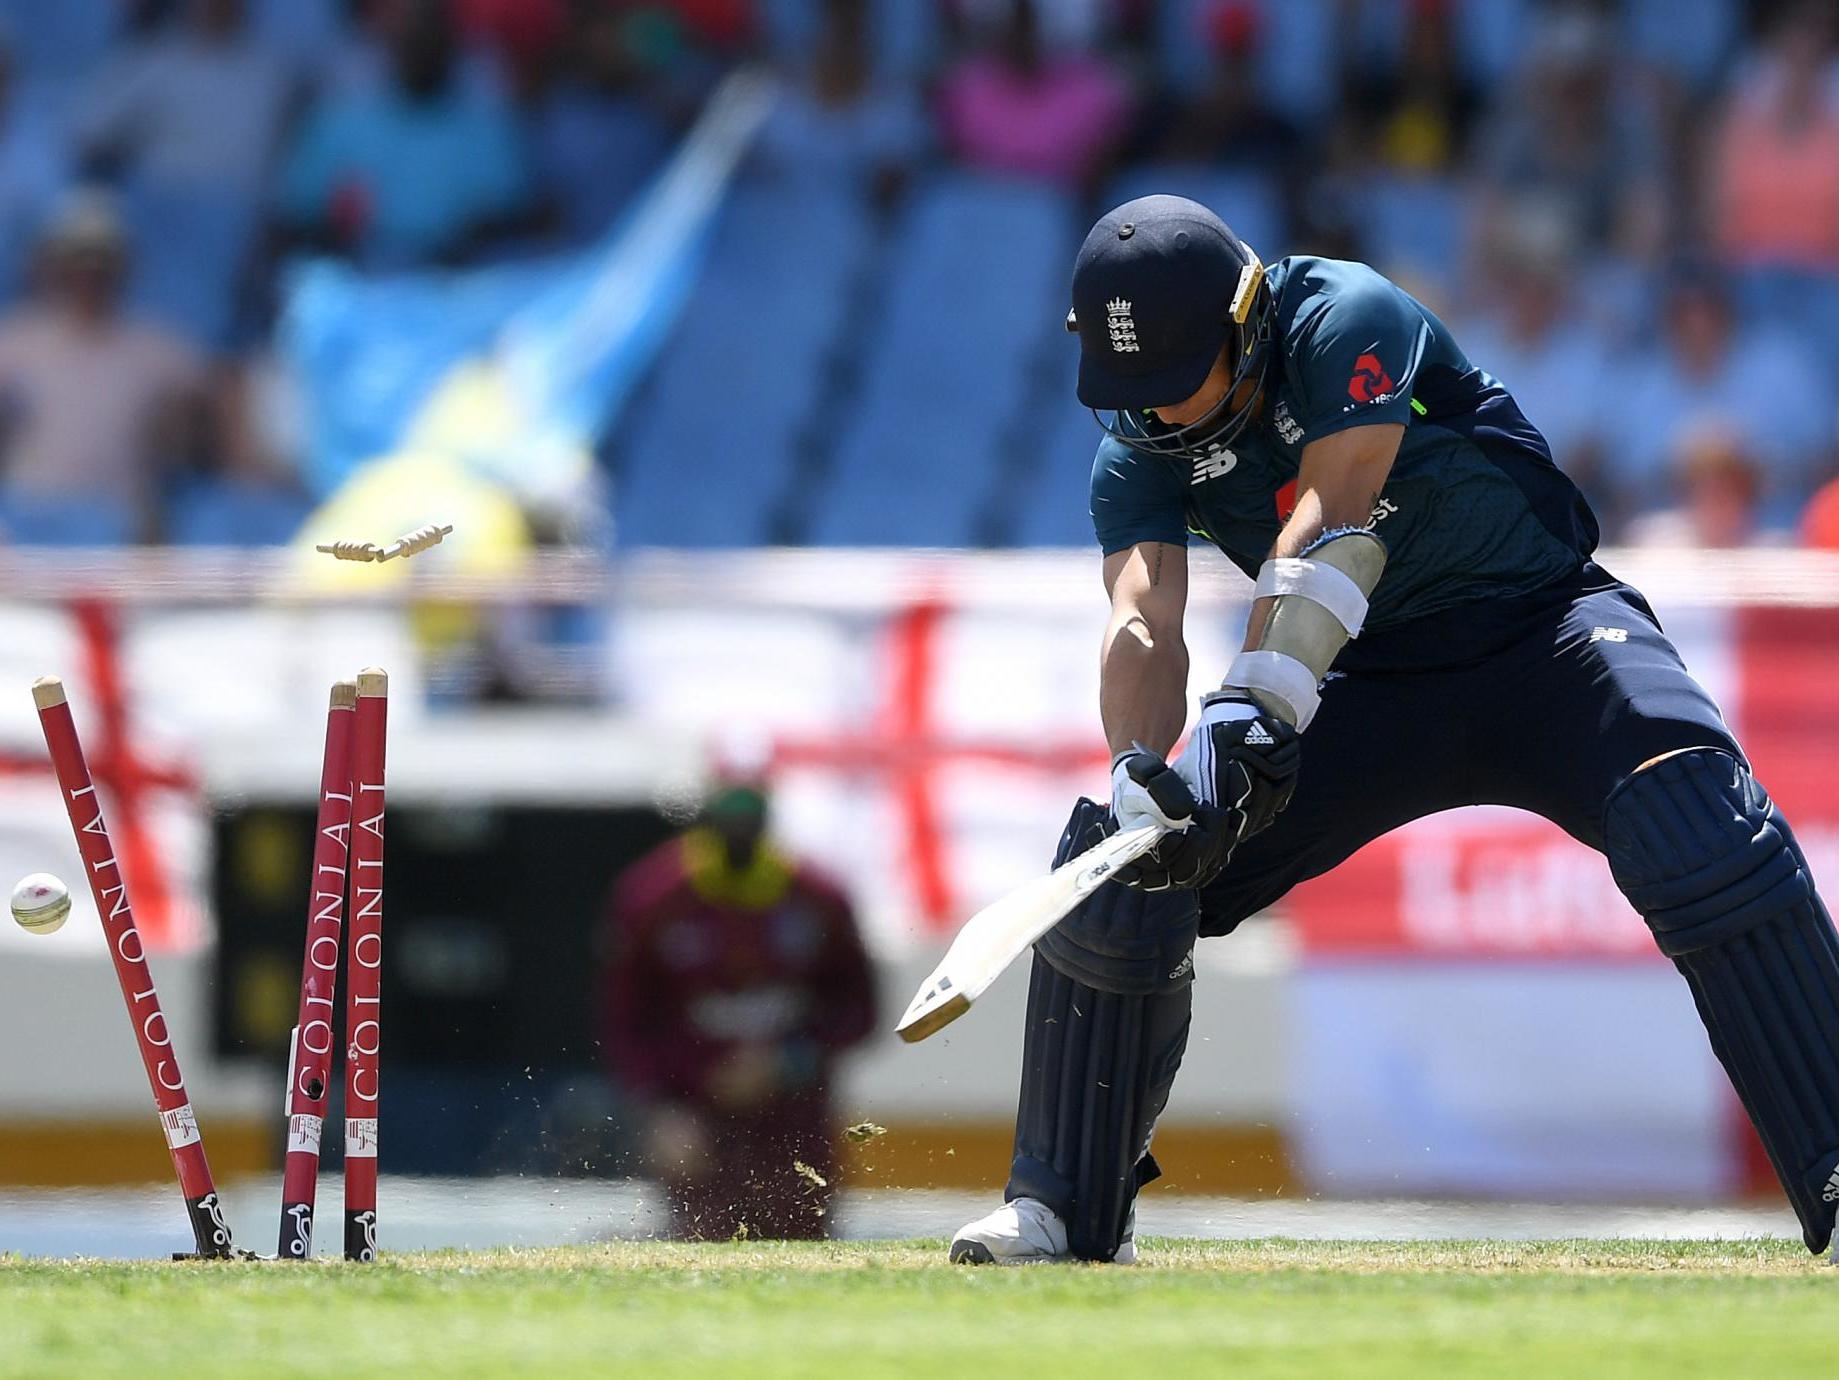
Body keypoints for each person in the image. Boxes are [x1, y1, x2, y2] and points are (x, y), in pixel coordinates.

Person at [947, 194, 1839, 1265]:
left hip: (1541, 632)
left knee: (1695, 817)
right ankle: (1063, 1208)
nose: (1161, 419)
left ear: (1246, 318)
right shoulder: (1141, 438)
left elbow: (1337, 515)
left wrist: (1256, 707)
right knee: (1128, 868)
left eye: (1180, 384)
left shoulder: (1345, 313)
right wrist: (1142, 772)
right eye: (1134, 395)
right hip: (1355, 681)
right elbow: (1142, 617)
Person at [599, 779, 877, 1240]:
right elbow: (627, 1021)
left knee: (799, 1233)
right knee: (700, 1237)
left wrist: (787, 1062)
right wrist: (662, 1109)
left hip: (793, 1115)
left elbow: (857, 1010)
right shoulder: (651, 900)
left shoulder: (819, 899)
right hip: (697, 1113)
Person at [0, 191, 209, 541]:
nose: (89, 274)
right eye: (78, 260)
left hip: (117, 522)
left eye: (101, 261)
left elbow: (221, 398)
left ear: (123, 266)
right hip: (26, 518)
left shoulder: (158, 349)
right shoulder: (14, 341)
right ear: (52, 264)